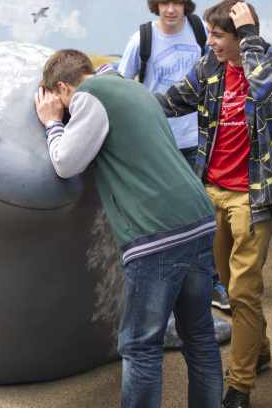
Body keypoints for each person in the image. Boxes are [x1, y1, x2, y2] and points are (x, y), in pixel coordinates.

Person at [34, 50, 222, 408]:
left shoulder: (91, 96)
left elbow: (65, 162)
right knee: (199, 336)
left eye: (59, 100)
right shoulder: (134, 88)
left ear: (63, 87)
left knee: (140, 344)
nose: (64, 109)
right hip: (197, 219)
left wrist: (52, 123)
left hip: (156, 233)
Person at [155, 0, 272, 408]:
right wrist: (118, 98)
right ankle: (260, 349)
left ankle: (240, 385)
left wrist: (251, 38)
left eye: (218, 35)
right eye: (210, 34)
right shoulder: (209, 68)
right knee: (230, 289)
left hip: (253, 197)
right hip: (212, 191)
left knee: (244, 291)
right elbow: (172, 100)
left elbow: (266, 91)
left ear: (240, 37)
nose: (209, 42)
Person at [119, 0, 231, 312]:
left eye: (177, 3)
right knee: (161, 214)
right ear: (156, 4)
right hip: (158, 141)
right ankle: (163, 285)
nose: (171, 10)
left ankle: (210, 283)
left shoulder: (199, 32)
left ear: (186, 4)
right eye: (165, 3)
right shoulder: (142, 39)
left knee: (201, 212)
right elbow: (124, 88)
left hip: (198, 139)